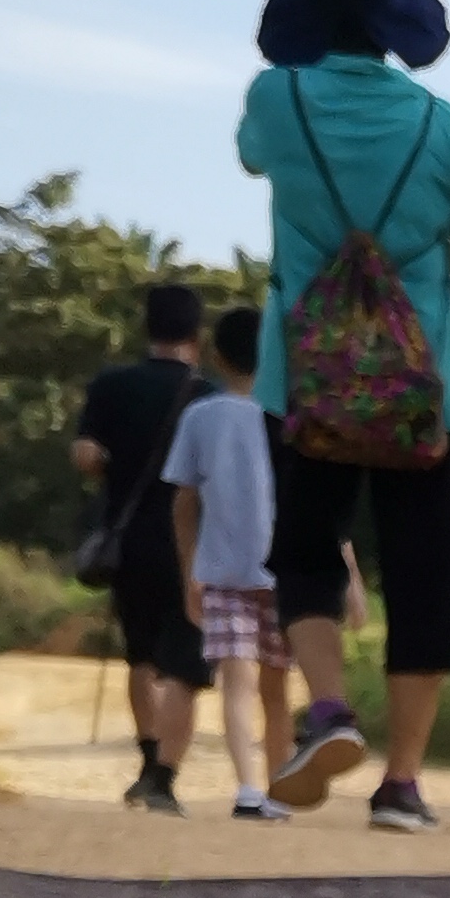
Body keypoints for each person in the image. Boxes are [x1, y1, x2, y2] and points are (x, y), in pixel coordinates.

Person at [235, 0, 450, 829]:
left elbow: (252, 157)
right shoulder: (446, 127)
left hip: (302, 384)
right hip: (430, 396)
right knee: (425, 577)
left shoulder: (277, 99)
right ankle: (401, 783)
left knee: (305, 555)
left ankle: (328, 710)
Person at [71, 280, 209, 812]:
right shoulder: (208, 395)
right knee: (184, 665)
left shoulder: (111, 385)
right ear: (197, 334)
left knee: (141, 655)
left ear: (147, 327)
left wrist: (114, 468)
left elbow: (86, 455)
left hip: (129, 542)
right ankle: (166, 779)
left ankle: (149, 760)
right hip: (193, 545)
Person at [161, 304, 291, 822]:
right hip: (285, 569)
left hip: (221, 571)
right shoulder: (290, 414)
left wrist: (189, 569)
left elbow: (183, 502)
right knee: (278, 690)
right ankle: (281, 786)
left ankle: (248, 789)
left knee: (238, 684)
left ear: (216, 356)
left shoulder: (200, 416)